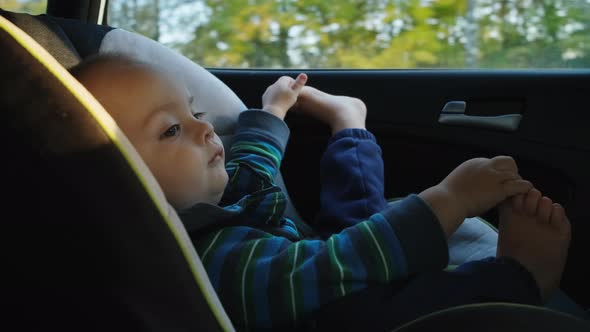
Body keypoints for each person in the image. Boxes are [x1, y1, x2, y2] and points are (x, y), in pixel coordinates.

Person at [69, 54, 571, 330]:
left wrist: (274, 109)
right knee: (362, 308)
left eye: (195, 113)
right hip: (323, 296)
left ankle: (349, 124)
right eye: (170, 131)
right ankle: (517, 280)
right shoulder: (210, 264)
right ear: (118, 189)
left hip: (310, 260)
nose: (205, 131)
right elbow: (334, 267)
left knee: (356, 228)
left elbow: (253, 165)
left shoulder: (206, 199)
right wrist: (450, 200)